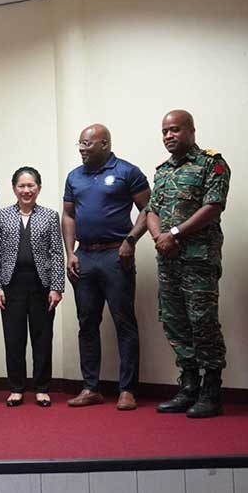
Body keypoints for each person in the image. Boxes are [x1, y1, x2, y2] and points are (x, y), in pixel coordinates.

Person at [147, 110, 230, 418]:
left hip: (198, 259)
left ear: (192, 131)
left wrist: (175, 233)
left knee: (203, 322)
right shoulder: (162, 171)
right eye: (165, 131)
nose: (169, 136)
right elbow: (152, 209)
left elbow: (213, 206)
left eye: (175, 130)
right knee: (175, 322)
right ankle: (189, 386)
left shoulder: (211, 164)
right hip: (168, 259)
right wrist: (159, 237)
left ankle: (212, 391)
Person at [62, 124, 150, 410]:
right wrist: (69, 253)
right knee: (87, 323)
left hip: (116, 257)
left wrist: (130, 241)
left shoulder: (127, 171)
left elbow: (148, 210)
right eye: (80, 143)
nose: (82, 148)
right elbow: (68, 215)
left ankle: (127, 390)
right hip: (84, 257)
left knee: (124, 323)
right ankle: (91, 388)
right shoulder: (74, 176)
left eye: (87, 143)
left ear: (104, 143)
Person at [0, 167, 64, 407]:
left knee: (42, 338)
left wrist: (57, 287)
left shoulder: (50, 216)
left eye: (31, 185)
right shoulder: (2, 216)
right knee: (14, 338)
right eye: (21, 186)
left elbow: (57, 254)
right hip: (11, 287)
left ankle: (42, 388)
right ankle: (16, 388)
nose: (26, 190)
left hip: (41, 286)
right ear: (14, 189)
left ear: (39, 188)